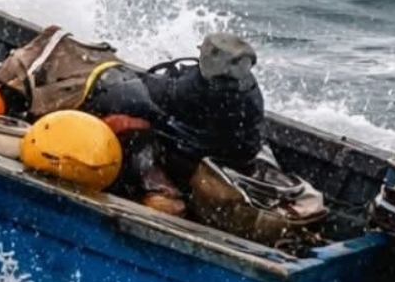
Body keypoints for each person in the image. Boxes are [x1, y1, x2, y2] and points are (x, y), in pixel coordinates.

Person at [84, 30, 265, 175]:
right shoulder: (249, 88)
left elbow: (158, 92)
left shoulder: (198, 92)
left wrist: (125, 80)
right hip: (237, 156)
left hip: (196, 154)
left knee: (127, 98)